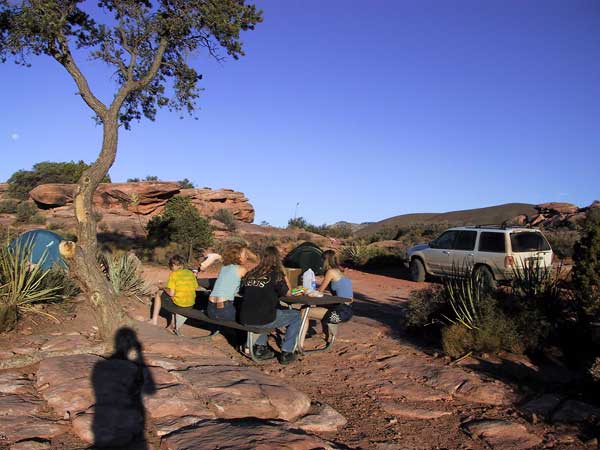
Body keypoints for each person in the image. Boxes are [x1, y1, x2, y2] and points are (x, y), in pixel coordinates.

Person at [240, 246, 301, 364]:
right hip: (262, 318)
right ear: (277, 258)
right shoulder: (276, 274)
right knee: (296, 315)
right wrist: (297, 288)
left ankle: (260, 348)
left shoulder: (252, 272)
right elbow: (288, 293)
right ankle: (287, 352)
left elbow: (242, 291)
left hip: (245, 317)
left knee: (267, 310)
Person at [299, 249, 353, 348]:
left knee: (304, 311)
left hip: (340, 312)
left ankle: (299, 345)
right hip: (347, 309)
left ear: (325, 260)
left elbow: (320, 291)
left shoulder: (330, 272)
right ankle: (328, 335)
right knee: (319, 305)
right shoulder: (341, 271)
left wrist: (304, 289)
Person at [149, 255, 198, 334]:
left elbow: (171, 294)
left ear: (174, 265)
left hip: (180, 304)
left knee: (159, 293)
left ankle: (154, 320)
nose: (170, 268)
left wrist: (162, 287)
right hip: (190, 303)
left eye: (171, 266)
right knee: (177, 297)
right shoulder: (190, 273)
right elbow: (195, 287)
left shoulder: (173, 274)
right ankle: (172, 324)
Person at [206, 241, 248, 321]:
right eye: (245, 254)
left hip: (210, 309)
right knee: (245, 318)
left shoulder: (224, 267)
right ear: (238, 255)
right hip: (224, 310)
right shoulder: (242, 269)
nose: (247, 256)